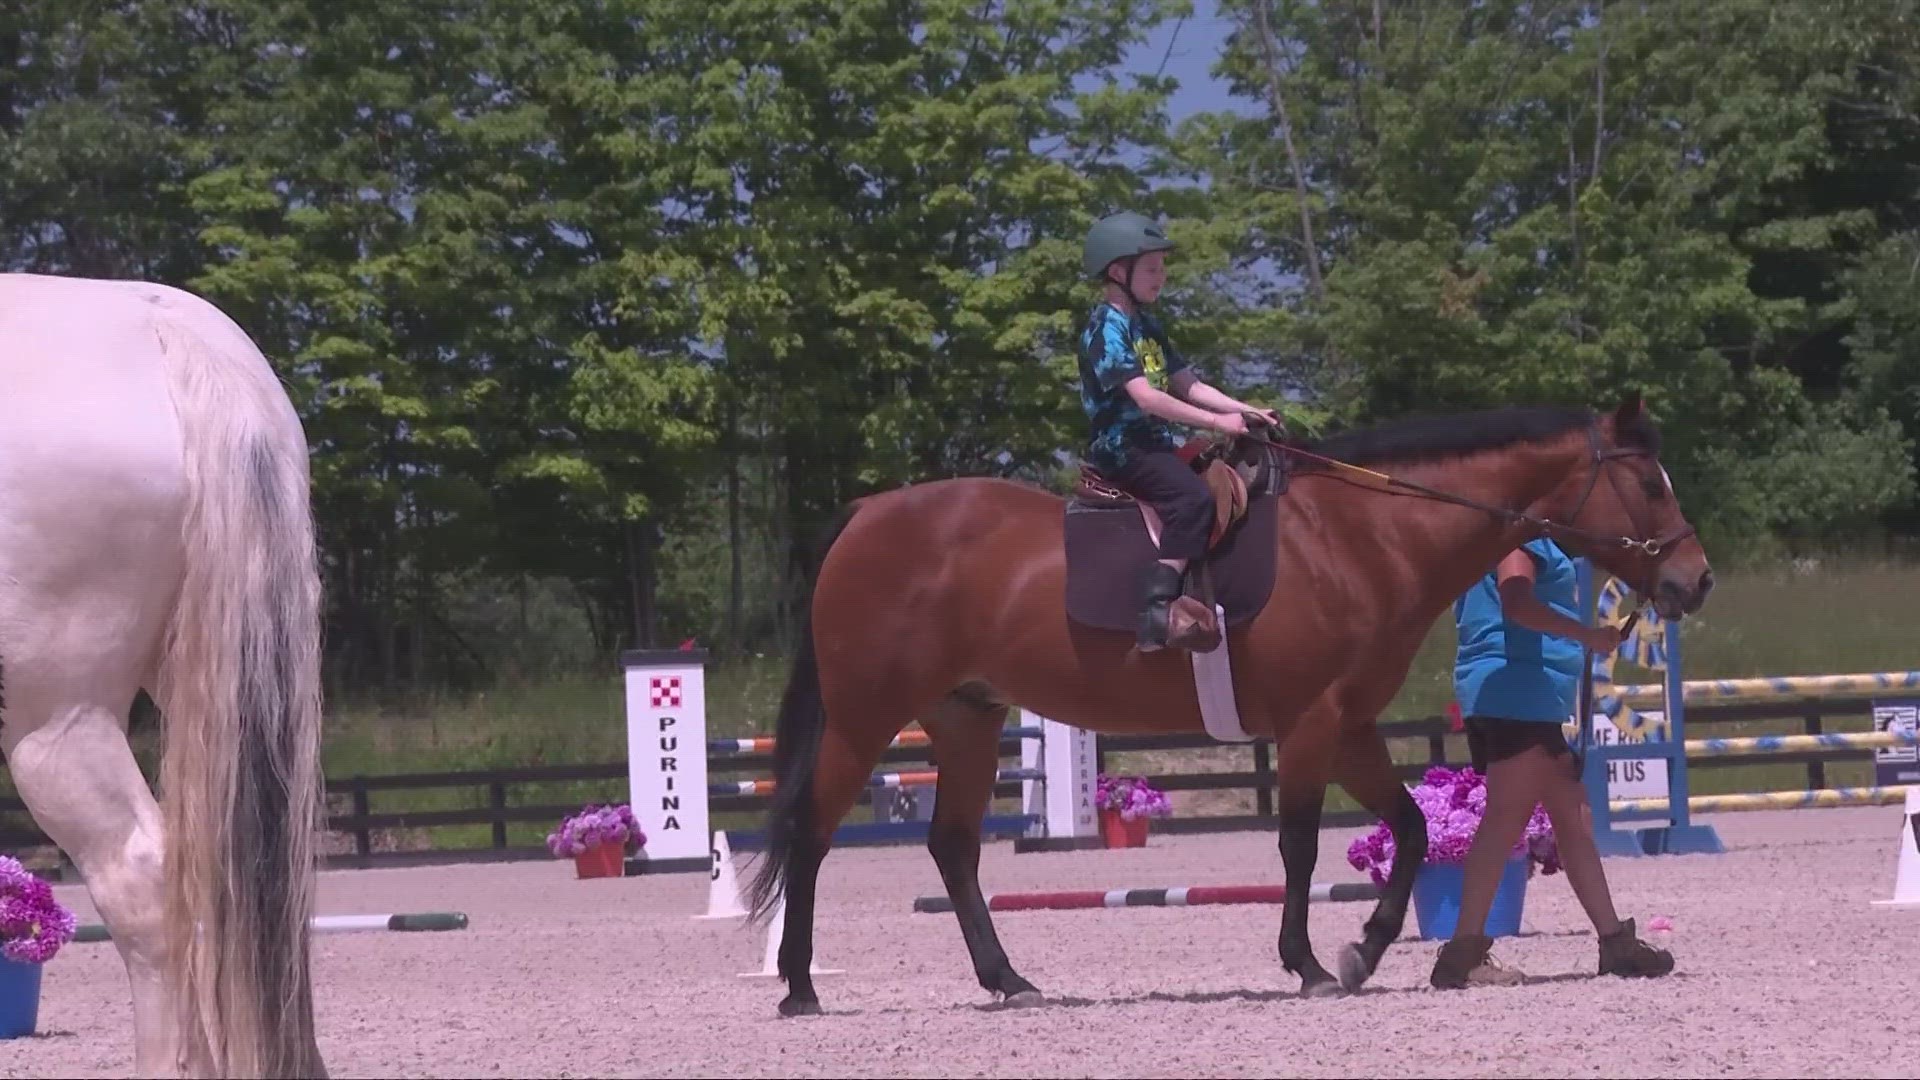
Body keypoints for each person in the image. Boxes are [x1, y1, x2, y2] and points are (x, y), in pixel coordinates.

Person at [1431, 536, 1678, 988]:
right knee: (1506, 819)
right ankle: (1461, 953)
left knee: (1573, 816)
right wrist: (1587, 635)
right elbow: (1517, 602)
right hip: (1517, 691)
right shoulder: (1518, 536)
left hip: (1522, 693)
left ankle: (1614, 941)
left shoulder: (1524, 533)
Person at [1075, 210, 1281, 652]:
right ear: (1118, 271)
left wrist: (1247, 412)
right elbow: (1147, 398)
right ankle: (1159, 606)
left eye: (1163, 268)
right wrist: (1215, 422)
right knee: (1192, 498)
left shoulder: (1147, 325)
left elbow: (1191, 385)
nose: (1162, 277)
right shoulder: (1105, 328)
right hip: (1123, 449)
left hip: (1159, 443)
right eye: (1152, 268)